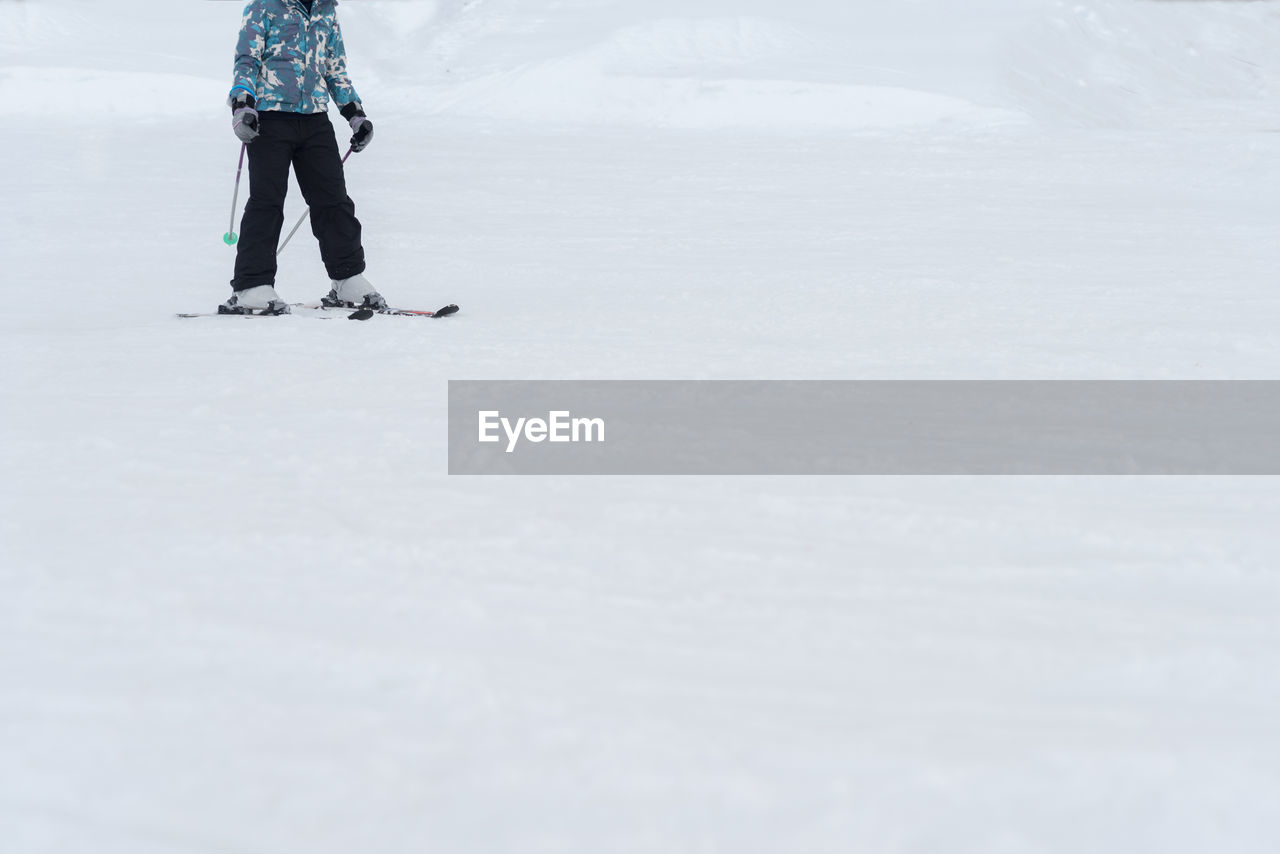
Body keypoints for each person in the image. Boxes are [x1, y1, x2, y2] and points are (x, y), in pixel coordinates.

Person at [223, 0, 382, 315]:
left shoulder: (326, 10)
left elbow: (334, 68)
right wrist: (243, 106)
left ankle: (347, 278)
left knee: (333, 200)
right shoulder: (264, 7)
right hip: (269, 118)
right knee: (267, 200)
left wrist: (356, 115)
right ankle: (252, 285)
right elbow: (247, 59)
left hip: (314, 119)